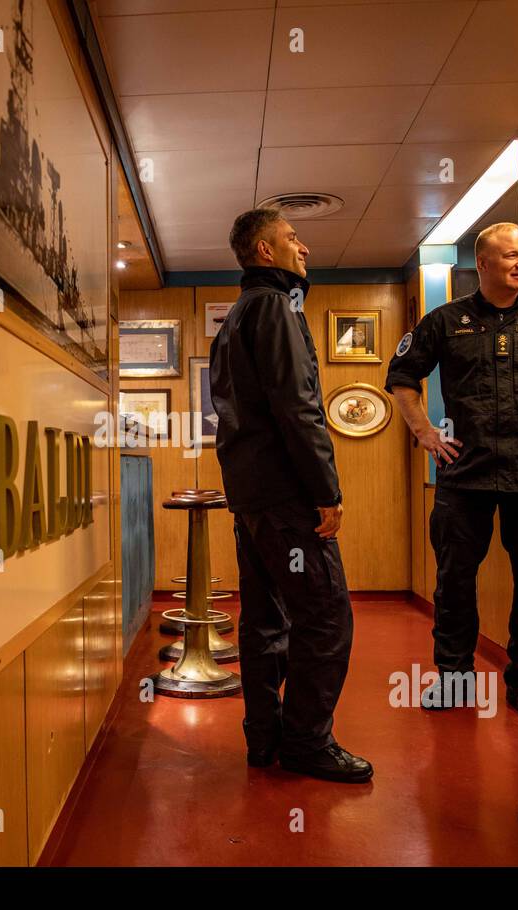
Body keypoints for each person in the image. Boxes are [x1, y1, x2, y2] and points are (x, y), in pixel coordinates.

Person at [209, 208, 372, 784]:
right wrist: (326, 490)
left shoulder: (236, 317)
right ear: (264, 251)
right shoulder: (277, 308)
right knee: (326, 617)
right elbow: (298, 407)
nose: (304, 247)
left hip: (252, 499)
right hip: (285, 500)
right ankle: (306, 742)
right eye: (293, 239)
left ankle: (265, 739)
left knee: (264, 620)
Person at [385, 223, 518, 716]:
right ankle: (454, 678)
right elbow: (402, 378)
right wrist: (425, 432)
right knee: (454, 581)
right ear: (482, 265)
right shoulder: (445, 320)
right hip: (465, 473)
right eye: (511, 255)